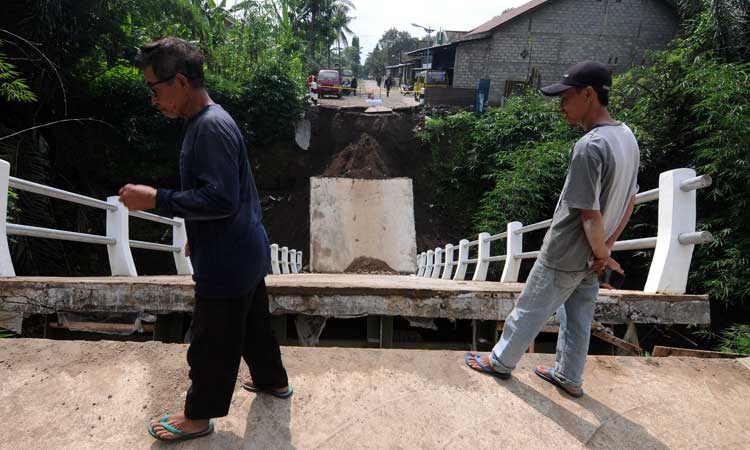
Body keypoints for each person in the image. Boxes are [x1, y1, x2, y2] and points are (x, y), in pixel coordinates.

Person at [118, 37, 291, 442]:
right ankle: (273, 381)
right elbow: (233, 194)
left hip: (228, 260)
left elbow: (220, 198)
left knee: (211, 341)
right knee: (253, 325)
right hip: (244, 247)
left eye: (154, 89)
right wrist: (199, 232)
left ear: (179, 81)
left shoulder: (208, 129)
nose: (153, 99)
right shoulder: (213, 120)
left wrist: (156, 198)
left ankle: (198, 416)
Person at [464, 61, 639, 398]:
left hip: (566, 252)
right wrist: (605, 251)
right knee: (578, 318)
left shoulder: (590, 147)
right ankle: (569, 376)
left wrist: (602, 251)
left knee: (530, 307)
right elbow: (630, 200)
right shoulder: (626, 137)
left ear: (588, 95)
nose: (561, 105)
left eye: (566, 97)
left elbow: (589, 214)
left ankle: (501, 361)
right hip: (593, 255)